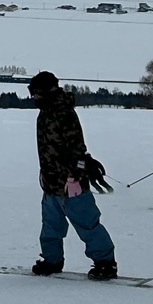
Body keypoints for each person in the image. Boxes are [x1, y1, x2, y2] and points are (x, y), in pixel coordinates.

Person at [27, 71, 118, 279]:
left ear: (49, 90)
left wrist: (74, 176)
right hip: (51, 183)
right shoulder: (45, 113)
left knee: (87, 224)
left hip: (71, 184)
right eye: (32, 92)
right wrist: (44, 172)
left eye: (37, 92)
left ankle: (106, 263)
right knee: (50, 227)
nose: (34, 97)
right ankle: (52, 260)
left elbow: (78, 149)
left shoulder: (64, 113)